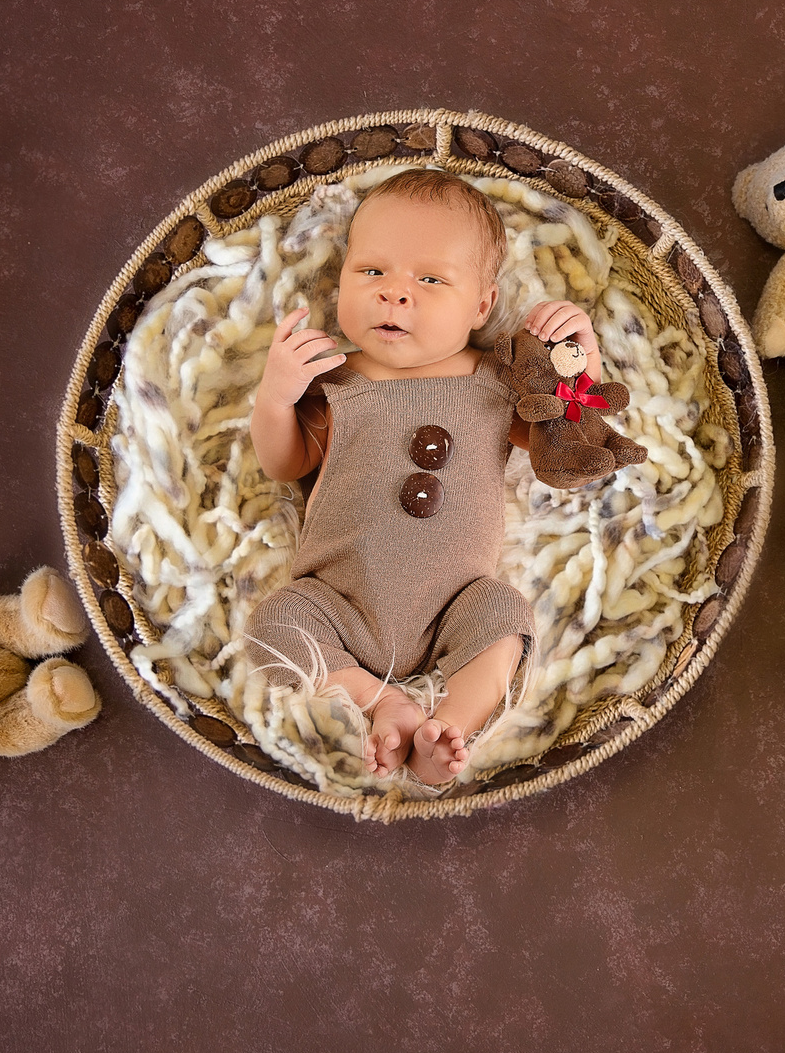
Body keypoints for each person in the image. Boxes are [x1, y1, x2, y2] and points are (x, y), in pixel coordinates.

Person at [246, 169, 604, 789]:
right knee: (274, 623)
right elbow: (285, 466)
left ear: (483, 305)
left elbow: (568, 454)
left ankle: (450, 729)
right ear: (342, 281)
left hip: (457, 608)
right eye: (372, 273)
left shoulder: (496, 383)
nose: (395, 295)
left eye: (431, 280)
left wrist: (580, 362)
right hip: (336, 604)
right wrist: (275, 397)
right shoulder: (334, 380)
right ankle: (379, 702)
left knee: (506, 616)